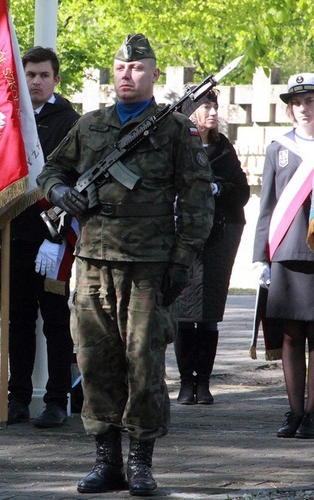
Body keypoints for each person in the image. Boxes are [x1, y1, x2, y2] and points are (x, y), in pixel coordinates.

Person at [37, 34, 213, 495]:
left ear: (155, 75)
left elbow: (197, 199)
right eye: (119, 69)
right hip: (93, 261)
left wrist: (183, 258)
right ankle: (106, 460)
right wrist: (60, 193)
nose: (126, 76)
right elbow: (50, 170)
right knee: (95, 361)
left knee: (144, 362)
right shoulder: (90, 125)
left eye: (137, 70)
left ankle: (140, 462)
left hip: (148, 267)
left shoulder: (176, 129)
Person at [0, 46, 80, 428]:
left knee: (57, 323)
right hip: (15, 238)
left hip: (54, 242)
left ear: (56, 79)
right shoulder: (10, 119)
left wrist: (58, 234)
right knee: (17, 322)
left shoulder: (72, 122)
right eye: (30, 75)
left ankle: (58, 400)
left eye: (44, 75)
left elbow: (78, 181)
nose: (37, 82)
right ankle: (17, 400)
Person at [174, 90, 250, 405]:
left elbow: (242, 190)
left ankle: (202, 383)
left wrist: (216, 187)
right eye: (206, 106)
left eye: (215, 107)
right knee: (183, 310)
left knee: (208, 312)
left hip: (220, 234)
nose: (213, 112)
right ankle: (184, 383)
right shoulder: (176, 146)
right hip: (182, 234)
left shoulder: (222, 148)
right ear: (191, 112)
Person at [253, 73, 314, 440]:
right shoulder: (278, 147)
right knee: (291, 335)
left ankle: (312, 413)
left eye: (311, 101)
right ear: (290, 110)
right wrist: (261, 257)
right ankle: (293, 411)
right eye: (298, 103)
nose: (304, 109)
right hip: (287, 251)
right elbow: (267, 205)